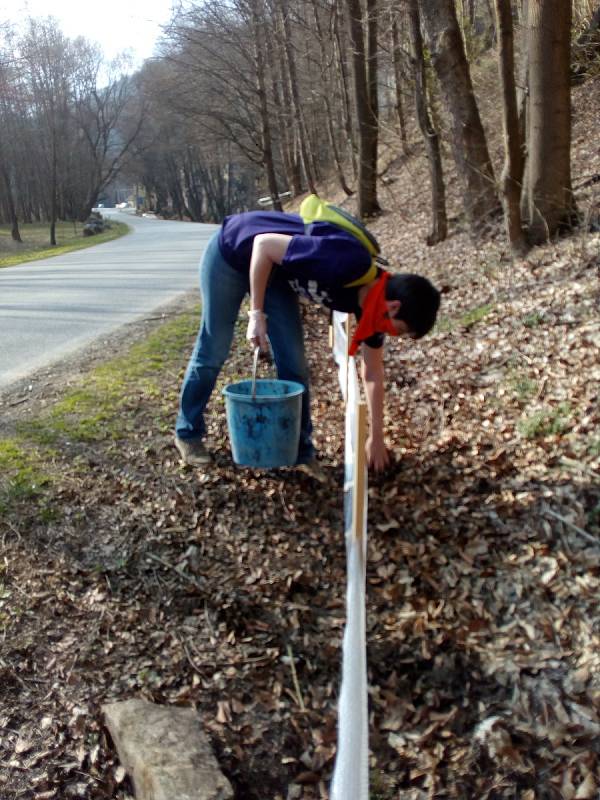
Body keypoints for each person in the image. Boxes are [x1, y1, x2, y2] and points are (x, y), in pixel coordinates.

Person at [175, 209, 440, 472]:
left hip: (275, 272)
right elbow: (263, 244)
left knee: (294, 363)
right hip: (233, 251)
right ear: (393, 308)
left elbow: (372, 374)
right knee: (214, 348)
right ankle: (187, 434)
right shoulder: (346, 262)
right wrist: (256, 314)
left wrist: (377, 437)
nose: (396, 335)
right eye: (401, 330)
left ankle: (300, 452)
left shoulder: (372, 310)